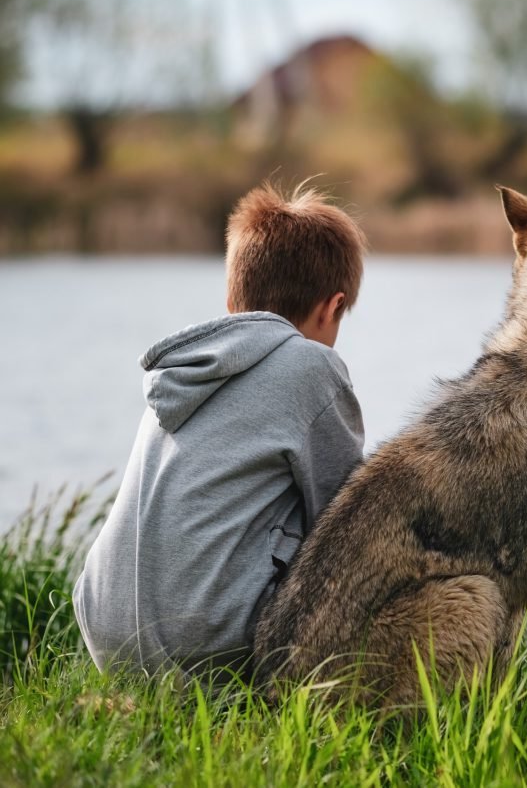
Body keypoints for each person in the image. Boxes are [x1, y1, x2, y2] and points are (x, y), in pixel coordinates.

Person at [73, 183, 366, 676]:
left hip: (106, 634)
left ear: (233, 301)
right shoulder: (312, 365)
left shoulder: (190, 369)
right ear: (332, 307)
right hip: (206, 647)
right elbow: (346, 526)